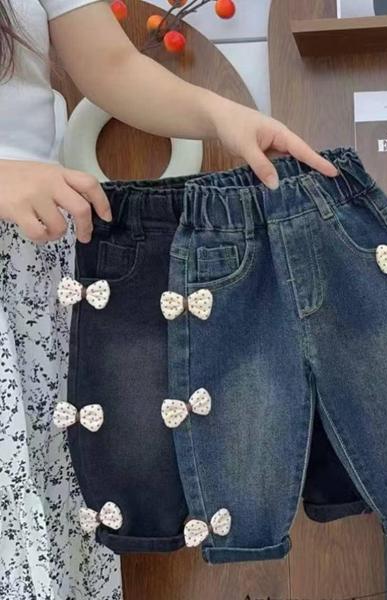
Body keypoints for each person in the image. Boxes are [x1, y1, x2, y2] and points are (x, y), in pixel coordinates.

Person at [0, 2, 337, 598]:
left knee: (51, 522)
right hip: (29, 219)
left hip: (38, 255)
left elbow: (109, 64)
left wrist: (222, 114)